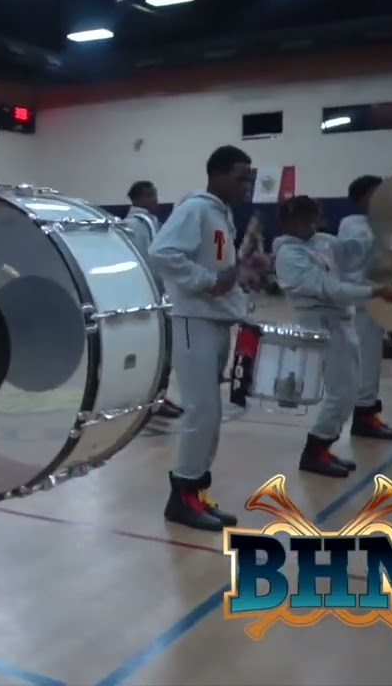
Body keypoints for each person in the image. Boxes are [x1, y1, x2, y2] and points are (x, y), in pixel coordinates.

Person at [147, 145, 254, 533]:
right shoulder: (195, 209)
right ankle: (181, 497)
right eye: (241, 177)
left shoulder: (221, 215)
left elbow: (223, 272)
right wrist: (208, 283)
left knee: (210, 416)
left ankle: (198, 492)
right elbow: (161, 252)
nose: (247, 185)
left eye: (249, 178)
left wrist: (242, 273)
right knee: (201, 412)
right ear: (218, 174)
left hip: (216, 321)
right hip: (194, 321)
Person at [273, 196, 392, 477]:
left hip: (341, 321)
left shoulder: (321, 241)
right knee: (341, 391)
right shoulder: (288, 254)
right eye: (307, 219)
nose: (313, 224)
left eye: (315, 219)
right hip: (318, 323)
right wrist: (373, 291)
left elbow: (355, 250)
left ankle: (324, 447)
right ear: (289, 222)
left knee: (351, 388)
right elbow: (328, 287)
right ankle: (315, 448)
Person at [336, 176, 392, 440]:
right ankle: (364, 418)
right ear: (362, 198)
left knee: (372, 360)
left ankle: (368, 413)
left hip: (376, 298)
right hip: (361, 301)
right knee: (366, 362)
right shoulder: (354, 225)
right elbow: (360, 263)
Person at [122, 180, 184, 420]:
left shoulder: (148, 222)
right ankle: (149, 399)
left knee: (162, 349)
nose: (156, 200)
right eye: (153, 195)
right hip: (146, 295)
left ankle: (157, 396)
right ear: (142, 197)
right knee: (154, 350)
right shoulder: (135, 225)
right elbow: (146, 260)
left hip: (156, 294)